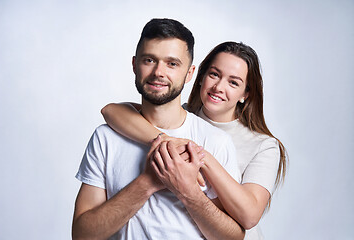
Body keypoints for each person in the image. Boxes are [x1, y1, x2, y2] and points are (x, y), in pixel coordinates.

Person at [72, 18, 245, 240]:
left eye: (172, 63)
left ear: (190, 73)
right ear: (135, 64)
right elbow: (82, 235)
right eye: (149, 60)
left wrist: (188, 191)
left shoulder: (215, 141)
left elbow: (233, 237)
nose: (158, 72)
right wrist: (147, 183)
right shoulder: (105, 137)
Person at [101, 41, 288, 239]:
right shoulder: (180, 117)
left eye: (233, 83)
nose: (218, 87)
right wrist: (167, 140)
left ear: (245, 94)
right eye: (214, 74)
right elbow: (111, 111)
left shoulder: (263, 146)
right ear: (200, 77)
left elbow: (249, 216)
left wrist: (202, 156)